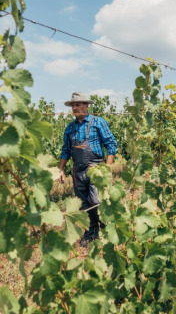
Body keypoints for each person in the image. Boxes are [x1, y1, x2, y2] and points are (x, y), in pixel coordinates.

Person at [59, 92, 117, 247]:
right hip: (78, 170)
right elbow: (66, 150)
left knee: (97, 201)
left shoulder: (98, 122)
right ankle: (91, 233)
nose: (75, 108)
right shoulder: (70, 128)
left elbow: (111, 144)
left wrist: (109, 166)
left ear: (86, 105)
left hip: (95, 168)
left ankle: (106, 231)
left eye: (78, 105)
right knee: (84, 204)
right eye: (73, 106)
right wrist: (61, 170)